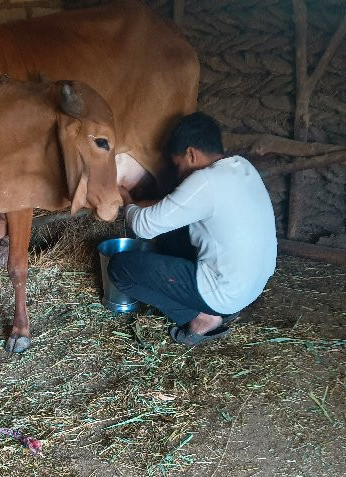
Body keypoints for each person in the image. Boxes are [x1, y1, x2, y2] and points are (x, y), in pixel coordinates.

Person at [112, 112, 277, 346]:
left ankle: (200, 317)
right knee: (171, 235)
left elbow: (143, 227)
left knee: (120, 268)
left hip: (225, 292)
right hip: (252, 285)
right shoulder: (242, 167)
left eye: (178, 165)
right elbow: (171, 212)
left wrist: (127, 199)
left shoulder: (205, 181)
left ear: (191, 153)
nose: (178, 174)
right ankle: (215, 306)